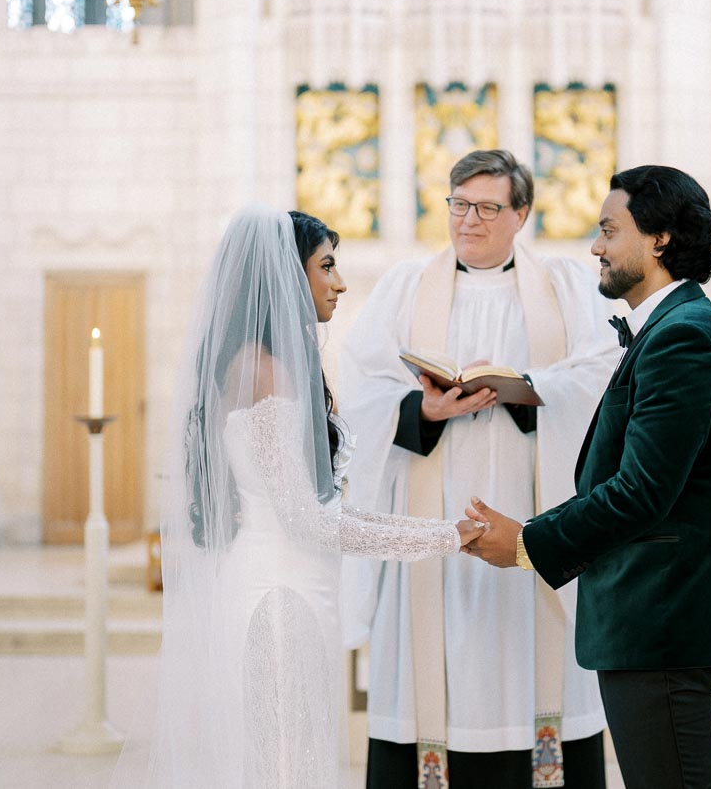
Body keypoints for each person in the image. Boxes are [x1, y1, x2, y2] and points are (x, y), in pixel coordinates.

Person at [137, 206, 487, 787]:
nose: (340, 282)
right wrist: (444, 535)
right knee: (283, 767)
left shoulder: (258, 365)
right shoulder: (268, 372)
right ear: (286, 276)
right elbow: (311, 521)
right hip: (280, 600)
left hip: (284, 586)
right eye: (326, 266)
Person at [463, 165, 711, 789]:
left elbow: (641, 492)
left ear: (659, 240)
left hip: (662, 616)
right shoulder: (668, 331)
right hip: (651, 616)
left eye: (608, 230)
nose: (595, 247)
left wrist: (526, 541)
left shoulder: (685, 340)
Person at [338, 150, 618, 789]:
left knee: (536, 659)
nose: (469, 220)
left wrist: (526, 389)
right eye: (458, 204)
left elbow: (603, 376)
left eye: (488, 207)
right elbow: (359, 388)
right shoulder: (407, 286)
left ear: (521, 213)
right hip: (430, 526)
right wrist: (423, 408)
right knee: (431, 672)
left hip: (534, 512)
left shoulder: (566, 288)